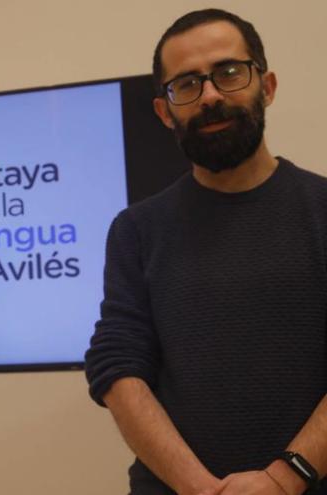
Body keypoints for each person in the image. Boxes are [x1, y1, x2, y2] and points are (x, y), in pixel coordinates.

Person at [85, 8, 327, 495]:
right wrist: (198, 489)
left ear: (268, 85)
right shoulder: (135, 230)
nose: (211, 96)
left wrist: (284, 480)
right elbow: (118, 366)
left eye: (229, 73)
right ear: (164, 110)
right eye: (186, 85)